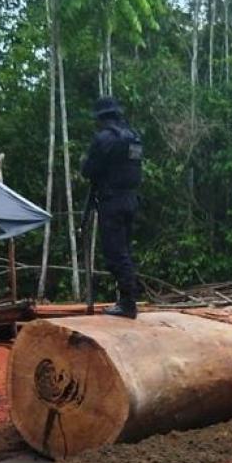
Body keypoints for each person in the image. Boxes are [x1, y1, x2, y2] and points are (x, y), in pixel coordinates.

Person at [81, 95, 143, 319]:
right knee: (125, 251)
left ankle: (128, 304)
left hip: (113, 201)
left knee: (115, 254)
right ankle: (128, 300)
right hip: (131, 200)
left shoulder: (105, 139)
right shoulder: (133, 137)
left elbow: (88, 170)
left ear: (101, 117)